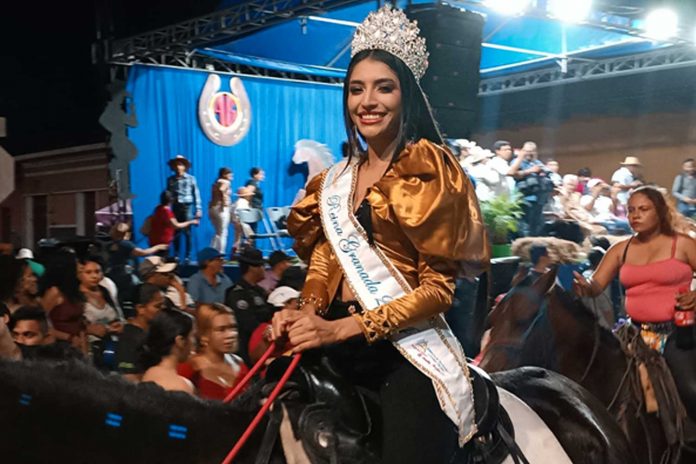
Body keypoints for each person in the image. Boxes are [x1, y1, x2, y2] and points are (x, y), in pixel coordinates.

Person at [271, 6, 489, 462]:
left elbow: (437, 291)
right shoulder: (336, 179)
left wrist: (340, 329)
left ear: (405, 94)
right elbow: (327, 258)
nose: (367, 101)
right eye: (356, 89)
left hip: (406, 353)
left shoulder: (429, 168)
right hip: (334, 333)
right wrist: (305, 313)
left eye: (383, 87)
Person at [573, 186, 696, 419]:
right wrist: (584, 288)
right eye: (630, 210)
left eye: (643, 209)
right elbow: (595, 285)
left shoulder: (682, 244)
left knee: (691, 389)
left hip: (677, 333)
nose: (635, 215)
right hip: (634, 334)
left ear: (659, 212)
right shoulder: (621, 248)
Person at [177, 303, 249, 400]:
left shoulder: (239, 363)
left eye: (233, 327)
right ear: (203, 335)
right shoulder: (189, 366)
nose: (231, 335)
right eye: (221, 329)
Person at [106, 222, 168, 315]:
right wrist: (157, 247)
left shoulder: (110, 245)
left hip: (113, 274)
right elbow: (142, 253)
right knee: (139, 288)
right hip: (124, 275)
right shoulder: (125, 244)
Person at [224, 247, 272, 365]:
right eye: (261, 266)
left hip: (262, 345)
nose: (264, 269)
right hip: (246, 350)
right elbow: (247, 324)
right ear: (252, 268)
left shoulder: (259, 291)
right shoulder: (237, 294)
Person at [140, 309, 196, 394]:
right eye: (192, 336)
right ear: (180, 341)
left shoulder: (148, 374)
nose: (194, 342)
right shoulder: (182, 386)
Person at [116, 283, 165, 380]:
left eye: (163, 305)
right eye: (157, 306)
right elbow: (129, 378)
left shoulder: (154, 333)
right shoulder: (129, 339)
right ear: (140, 309)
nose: (162, 310)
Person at [508, 141, 553, 236]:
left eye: (532, 151)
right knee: (525, 228)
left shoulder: (537, 163)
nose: (529, 153)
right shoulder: (518, 162)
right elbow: (512, 173)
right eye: (527, 151)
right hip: (525, 199)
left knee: (537, 228)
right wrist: (531, 170)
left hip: (538, 200)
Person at [166, 155, 202, 262]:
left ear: (185, 167)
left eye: (180, 165)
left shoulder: (191, 178)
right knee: (176, 230)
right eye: (176, 165)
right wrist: (167, 208)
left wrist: (198, 208)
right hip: (176, 206)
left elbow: (196, 194)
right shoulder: (171, 180)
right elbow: (169, 195)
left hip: (187, 205)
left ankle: (188, 255)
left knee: (187, 231)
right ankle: (176, 255)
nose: (178, 167)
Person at [209, 167, 234, 253]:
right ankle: (221, 253)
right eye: (229, 173)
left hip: (212, 208)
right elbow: (221, 189)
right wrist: (224, 200)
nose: (232, 175)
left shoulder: (216, 182)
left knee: (218, 233)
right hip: (221, 209)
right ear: (224, 175)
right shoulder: (225, 182)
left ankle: (212, 251)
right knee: (223, 233)